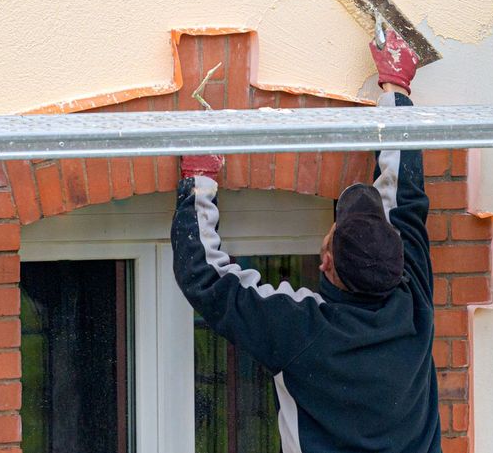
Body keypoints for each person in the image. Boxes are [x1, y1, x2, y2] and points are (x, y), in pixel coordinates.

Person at [170, 27, 440, 453]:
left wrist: (198, 181)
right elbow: (404, 197)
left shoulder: (303, 332)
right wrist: (396, 87)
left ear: (326, 262)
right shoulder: (414, 304)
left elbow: (206, 277)